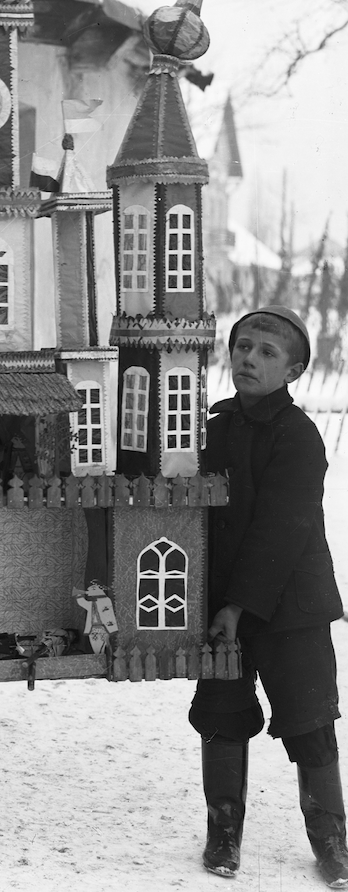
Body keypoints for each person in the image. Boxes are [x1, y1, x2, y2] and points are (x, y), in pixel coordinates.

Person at [189, 305, 346, 886]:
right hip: (221, 604)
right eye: (243, 346)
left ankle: (331, 840)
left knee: (309, 719)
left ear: (294, 370)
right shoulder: (212, 428)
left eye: (267, 353)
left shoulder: (299, 437)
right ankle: (223, 830)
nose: (249, 359)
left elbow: (284, 526)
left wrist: (237, 605)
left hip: (291, 608)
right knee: (222, 714)